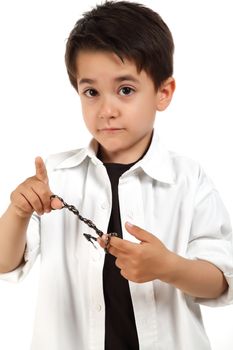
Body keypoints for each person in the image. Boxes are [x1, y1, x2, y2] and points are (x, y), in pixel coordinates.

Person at [0, 1, 233, 349]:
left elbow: (221, 280)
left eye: (126, 90)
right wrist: (18, 211)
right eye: (91, 92)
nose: (107, 110)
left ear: (163, 93)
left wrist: (168, 267)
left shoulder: (187, 179)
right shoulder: (56, 176)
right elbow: (5, 263)